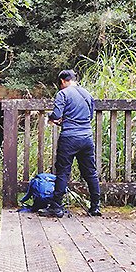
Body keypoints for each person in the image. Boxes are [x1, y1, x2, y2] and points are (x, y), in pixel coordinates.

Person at [38, 69, 102, 218]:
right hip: (87, 137)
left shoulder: (63, 94)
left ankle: (56, 207)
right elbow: (89, 116)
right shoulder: (87, 94)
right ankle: (95, 206)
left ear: (62, 81)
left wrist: (50, 117)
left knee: (63, 172)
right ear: (74, 79)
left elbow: (57, 115)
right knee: (90, 172)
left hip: (69, 138)